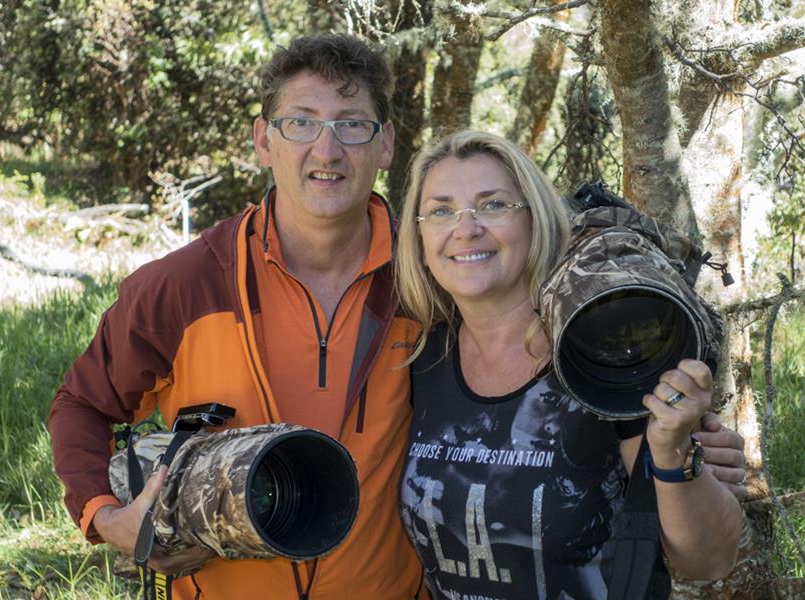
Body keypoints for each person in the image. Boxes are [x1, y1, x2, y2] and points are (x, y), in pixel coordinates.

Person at [49, 34, 746, 600]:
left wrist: (679, 444)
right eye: (301, 124)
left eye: (351, 126)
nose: (327, 150)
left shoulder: (428, 287)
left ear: (383, 146)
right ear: (263, 141)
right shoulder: (185, 285)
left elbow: (550, 324)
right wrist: (108, 519)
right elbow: (80, 405)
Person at [394, 130, 743, 599]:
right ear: (418, 238)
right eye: (441, 210)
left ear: (535, 220)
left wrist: (673, 454)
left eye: (493, 204)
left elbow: (708, 560)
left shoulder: (598, 352)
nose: (467, 228)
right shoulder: (419, 359)